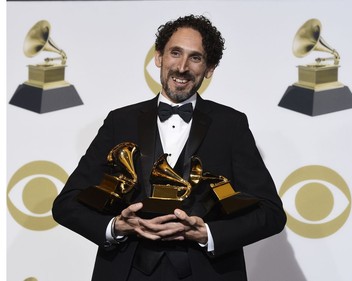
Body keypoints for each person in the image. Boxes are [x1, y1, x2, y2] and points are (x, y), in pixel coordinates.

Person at [52, 14, 286, 281]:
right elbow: (66, 204)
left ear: (209, 69)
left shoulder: (231, 125)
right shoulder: (120, 121)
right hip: (129, 271)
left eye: (195, 58)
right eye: (175, 53)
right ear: (159, 57)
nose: (182, 67)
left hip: (206, 271)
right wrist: (117, 226)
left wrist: (208, 234)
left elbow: (270, 213)